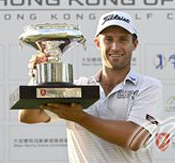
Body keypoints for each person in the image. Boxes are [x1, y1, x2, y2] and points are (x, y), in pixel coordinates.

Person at [19, 11, 163, 163]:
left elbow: (136, 139)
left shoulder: (148, 86)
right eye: (108, 39)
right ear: (97, 43)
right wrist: (38, 77)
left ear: (135, 44)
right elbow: (29, 116)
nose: (115, 47)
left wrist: (81, 117)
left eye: (123, 39)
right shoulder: (77, 87)